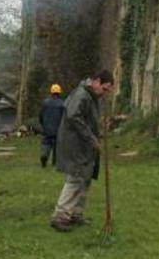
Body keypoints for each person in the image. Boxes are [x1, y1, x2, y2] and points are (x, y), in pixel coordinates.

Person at [49, 69, 114, 232]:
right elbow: (73, 117)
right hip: (74, 144)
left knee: (85, 178)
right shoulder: (81, 95)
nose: (105, 93)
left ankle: (76, 214)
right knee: (75, 178)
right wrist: (92, 138)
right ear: (96, 81)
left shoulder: (92, 97)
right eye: (105, 89)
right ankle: (60, 216)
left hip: (84, 145)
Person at [38, 83, 65, 168]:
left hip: (47, 129)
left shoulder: (45, 103)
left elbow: (40, 116)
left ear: (51, 92)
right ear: (59, 93)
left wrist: (44, 125)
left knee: (46, 145)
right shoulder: (62, 104)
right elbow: (64, 117)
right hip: (58, 129)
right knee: (57, 147)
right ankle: (55, 163)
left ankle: (44, 158)